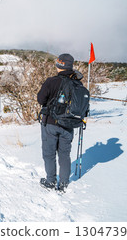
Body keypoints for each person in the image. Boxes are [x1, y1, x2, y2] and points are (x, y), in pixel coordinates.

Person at [37, 53, 83, 192]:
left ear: (59, 64)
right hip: (69, 125)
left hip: (50, 123)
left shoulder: (51, 81)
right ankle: (63, 183)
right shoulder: (77, 83)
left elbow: (40, 99)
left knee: (49, 153)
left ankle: (51, 181)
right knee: (64, 154)